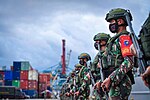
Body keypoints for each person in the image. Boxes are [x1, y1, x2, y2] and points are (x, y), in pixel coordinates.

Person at [101, 8, 136, 100]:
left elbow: (129, 62)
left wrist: (111, 78)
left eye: (112, 22)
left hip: (121, 81)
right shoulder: (115, 39)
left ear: (119, 21)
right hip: (115, 80)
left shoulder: (124, 38)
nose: (110, 25)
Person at [91, 33, 110, 100]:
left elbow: (108, 71)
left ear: (103, 41)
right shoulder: (99, 54)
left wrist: (100, 81)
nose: (96, 43)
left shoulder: (108, 53)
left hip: (105, 84)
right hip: (98, 83)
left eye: (97, 41)